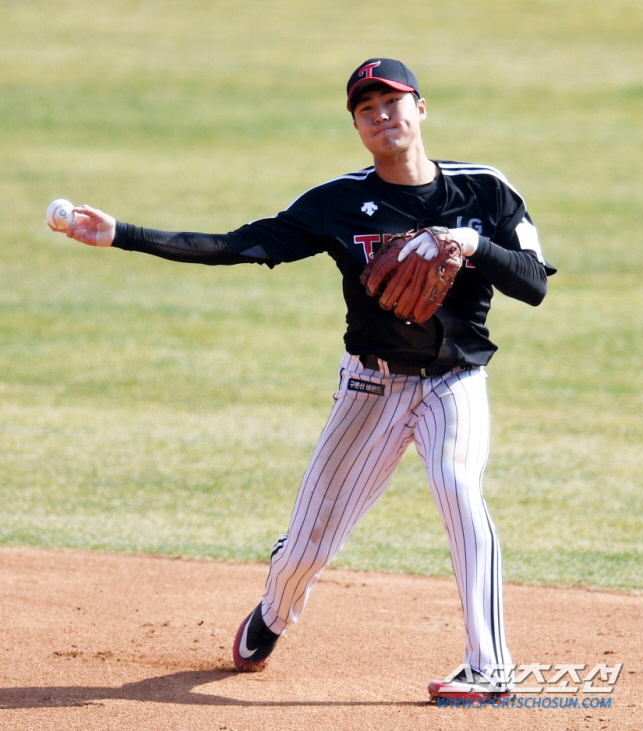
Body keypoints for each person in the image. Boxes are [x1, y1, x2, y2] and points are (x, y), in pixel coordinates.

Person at [55, 58, 555, 700]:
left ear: (421, 109)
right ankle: (272, 616)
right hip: (370, 389)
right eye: (366, 110)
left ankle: (490, 667)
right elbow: (236, 244)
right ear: (357, 126)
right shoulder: (337, 204)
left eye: (392, 102)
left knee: (460, 491)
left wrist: (469, 243)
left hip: (454, 383)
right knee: (308, 547)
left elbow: (534, 284)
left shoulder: (485, 191)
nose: (382, 116)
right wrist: (123, 234)